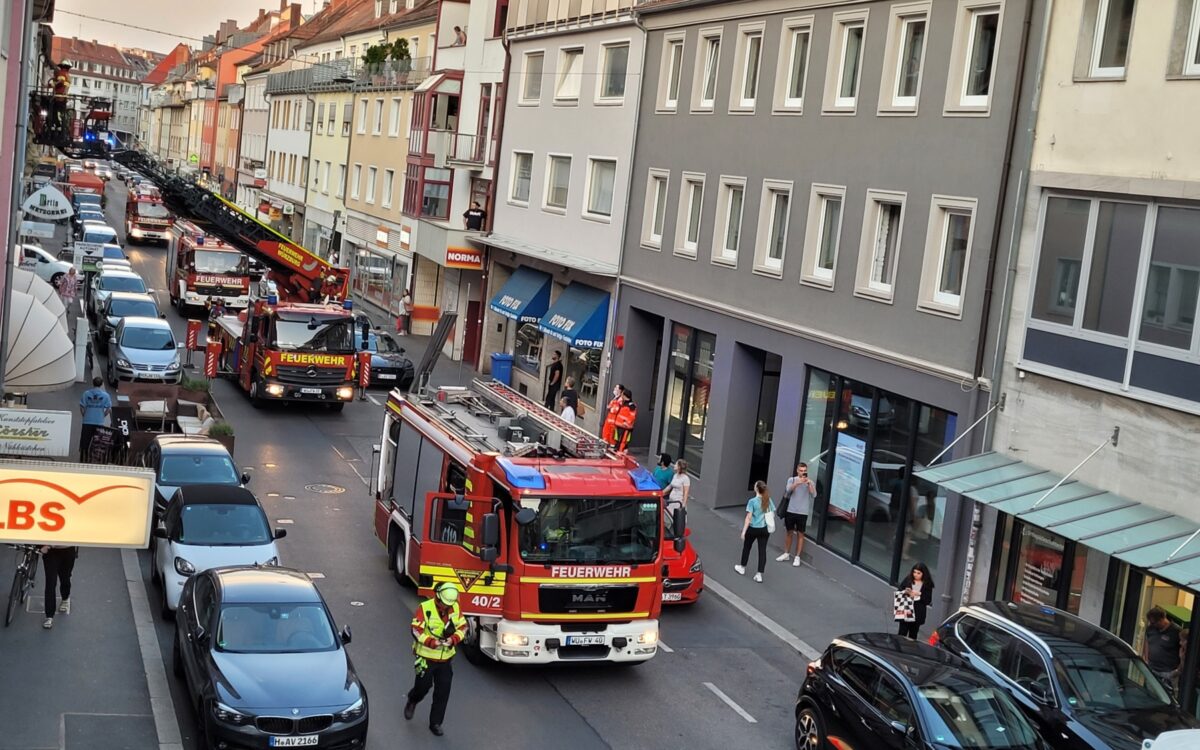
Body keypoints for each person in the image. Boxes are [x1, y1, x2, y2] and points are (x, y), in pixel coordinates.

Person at [404, 582, 468, 737]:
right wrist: (432, 642)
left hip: (445, 659)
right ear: (437, 597)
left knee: (443, 691)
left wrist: (453, 640)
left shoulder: (455, 607)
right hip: (426, 657)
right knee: (422, 687)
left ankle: (436, 723)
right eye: (444, 604)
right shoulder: (425, 608)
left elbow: (463, 627)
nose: (446, 607)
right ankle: (413, 700)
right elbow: (416, 629)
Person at [777, 462, 816, 567]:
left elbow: (814, 494)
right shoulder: (792, 480)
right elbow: (788, 490)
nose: (803, 473)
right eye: (801, 471)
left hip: (802, 513)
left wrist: (809, 484)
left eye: (805, 471)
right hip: (791, 510)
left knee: (800, 534)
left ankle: (797, 557)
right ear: (797, 471)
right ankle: (786, 553)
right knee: (789, 532)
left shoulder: (810, 482)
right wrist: (798, 482)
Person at [736, 481, 775, 583]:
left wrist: (744, 531)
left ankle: (742, 567)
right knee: (762, 551)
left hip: (753, 528)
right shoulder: (768, 500)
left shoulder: (752, 501)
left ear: (756, 489)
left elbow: (748, 517)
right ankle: (759, 574)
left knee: (747, 547)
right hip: (764, 529)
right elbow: (772, 513)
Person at [1144, 606, 1183, 695]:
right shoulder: (1151, 629)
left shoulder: (1176, 631)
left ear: (1162, 619)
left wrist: (1178, 670)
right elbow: (1147, 642)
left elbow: (1184, 650)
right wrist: (1146, 659)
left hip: (1168, 672)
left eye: (1154, 622)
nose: (1152, 624)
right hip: (1152, 669)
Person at [40, 545, 78, 629]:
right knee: (50, 582)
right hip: (51, 551)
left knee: (65, 578)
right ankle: (49, 616)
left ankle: (65, 598)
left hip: (68, 549)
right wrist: (41, 545)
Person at [896, 563, 935, 639]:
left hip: (918, 612)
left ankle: (911, 649)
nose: (915, 575)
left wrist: (919, 595)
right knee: (902, 633)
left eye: (918, 573)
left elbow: (928, 600)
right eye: (914, 572)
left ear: (923, 574)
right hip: (906, 608)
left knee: (913, 635)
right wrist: (906, 592)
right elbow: (899, 591)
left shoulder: (927, 584)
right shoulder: (908, 579)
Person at [78, 376, 112, 462]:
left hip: (87, 422)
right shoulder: (105, 396)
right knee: (97, 444)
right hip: (99, 422)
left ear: (93, 383)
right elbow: (108, 409)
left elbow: (82, 407)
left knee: (85, 443)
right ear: (101, 384)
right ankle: (93, 461)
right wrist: (103, 415)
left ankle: (83, 460)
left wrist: (84, 415)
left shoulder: (86, 393)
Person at [49, 63, 71, 133]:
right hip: (64, 97)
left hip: (58, 96)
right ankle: (62, 126)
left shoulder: (61, 73)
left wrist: (51, 85)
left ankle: (55, 125)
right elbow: (66, 85)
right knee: (62, 113)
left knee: (53, 111)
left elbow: (60, 82)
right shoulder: (68, 76)